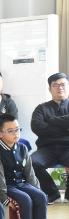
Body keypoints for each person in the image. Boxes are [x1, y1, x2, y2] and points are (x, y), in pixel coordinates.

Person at [0, 113, 60, 219]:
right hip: (8, 186)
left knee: (41, 196)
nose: (16, 133)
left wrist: (36, 190)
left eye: (17, 129)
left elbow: (30, 174)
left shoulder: (22, 148)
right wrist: (4, 199)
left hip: (21, 184)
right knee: (25, 199)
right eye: (10, 131)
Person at [30, 72, 69, 204]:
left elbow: (45, 127)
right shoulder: (41, 108)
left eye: (63, 84)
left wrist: (51, 120)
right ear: (50, 89)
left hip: (68, 147)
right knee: (32, 162)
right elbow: (37, 127)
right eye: (56, 85)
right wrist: (65, 128)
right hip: (47, 148)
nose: (60, 87)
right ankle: (52, 193)